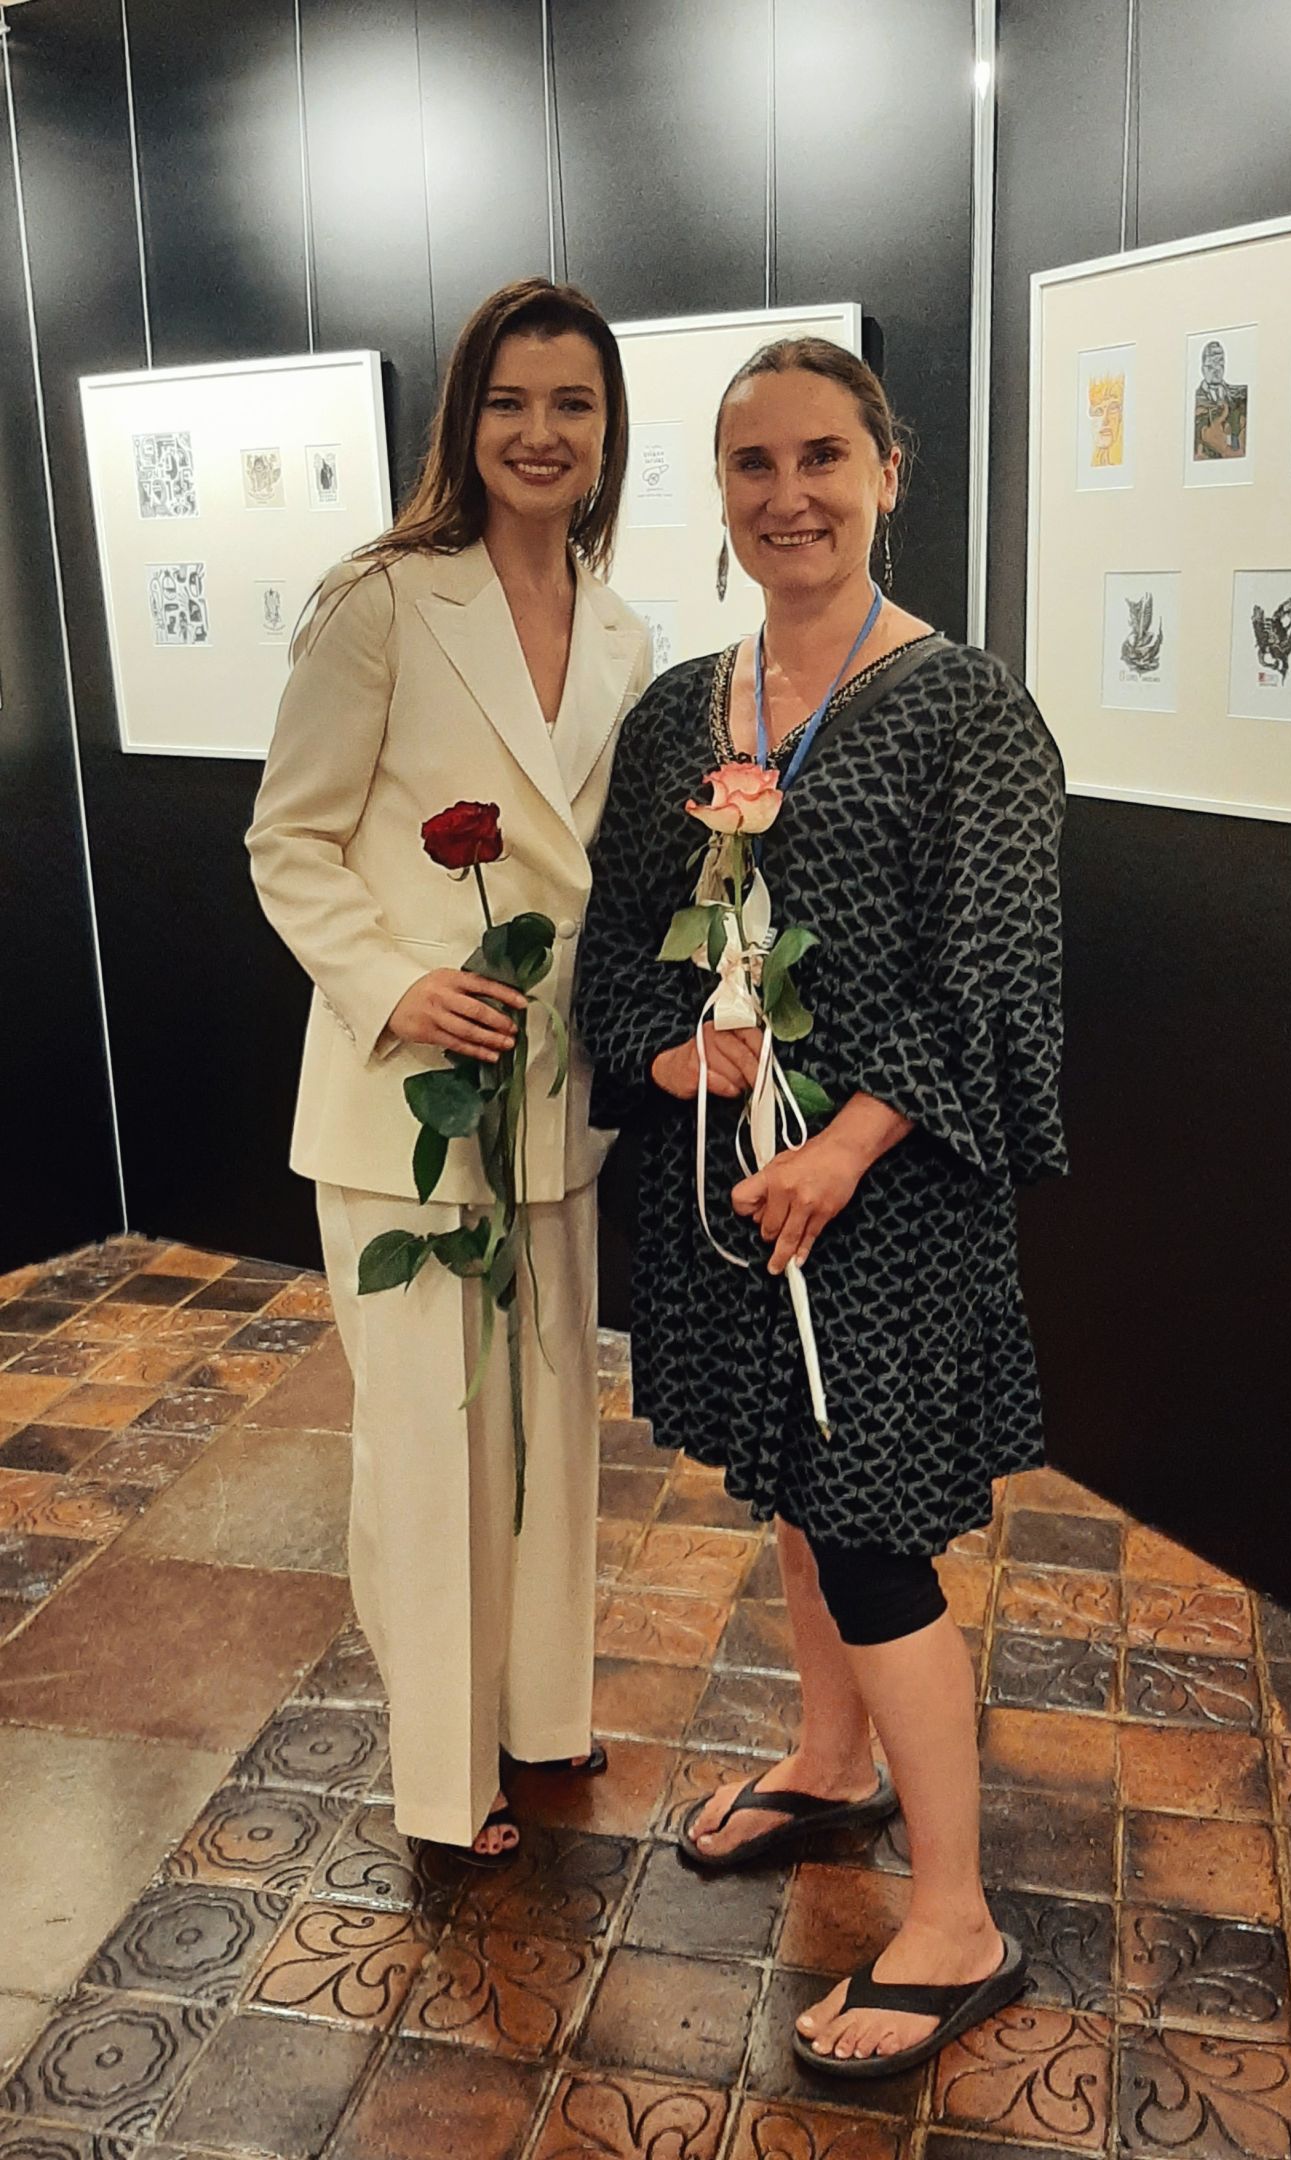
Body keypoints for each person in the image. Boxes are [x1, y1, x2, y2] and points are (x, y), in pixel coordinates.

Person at [576, 337, 1066, 2076]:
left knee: (869, 1529)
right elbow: (619, 947)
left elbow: (988, 978)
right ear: (718, 490)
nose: (788, 496)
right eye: (752, 464)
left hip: (889, 1198)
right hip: (737, 1183)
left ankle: (960, 1919)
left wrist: (845, 1147)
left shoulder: (966, 710)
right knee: (793, 1488)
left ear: (888, 471)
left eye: (822, 459)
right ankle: (831, 1765)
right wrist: (671, 1059)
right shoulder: (675, 714)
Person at [247, 278, 651, 1865]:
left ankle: (541, 1714)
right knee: (428, 1446)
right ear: (464, 419)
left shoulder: (625, 632)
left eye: (573, 405)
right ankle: (438, 1780)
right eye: (511, 402)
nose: (540, 433)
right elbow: (288, 840)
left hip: (552, 1106)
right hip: (400, 1112)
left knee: (549, 1432)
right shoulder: (383, 601)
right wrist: (396, 984)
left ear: (609, 432)